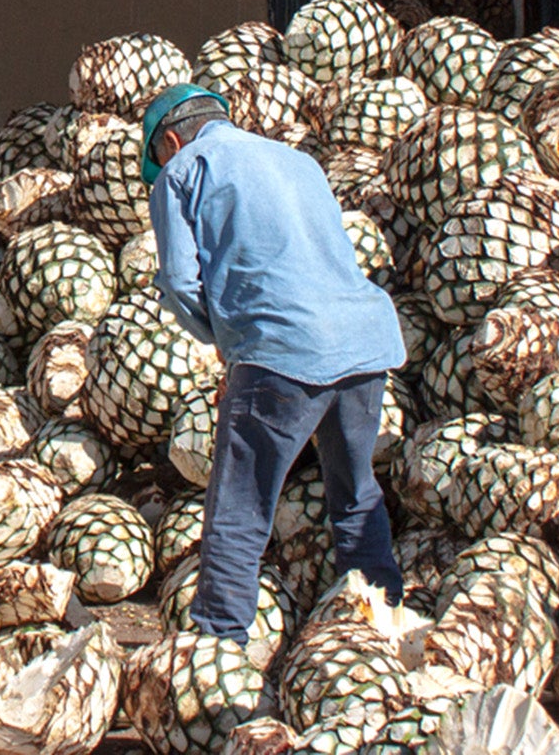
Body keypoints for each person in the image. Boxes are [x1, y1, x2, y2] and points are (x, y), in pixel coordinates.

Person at [142, 82, 407, 640]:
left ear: (170, 140)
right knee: (355, 494)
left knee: (239, 507)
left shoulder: (183, 171)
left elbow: (181, 282)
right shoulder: (298, 160)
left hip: (280, 353)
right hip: (364, 342)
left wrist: (232, 347)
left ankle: (218, 646)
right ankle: (384, 630)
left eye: (160, 155)